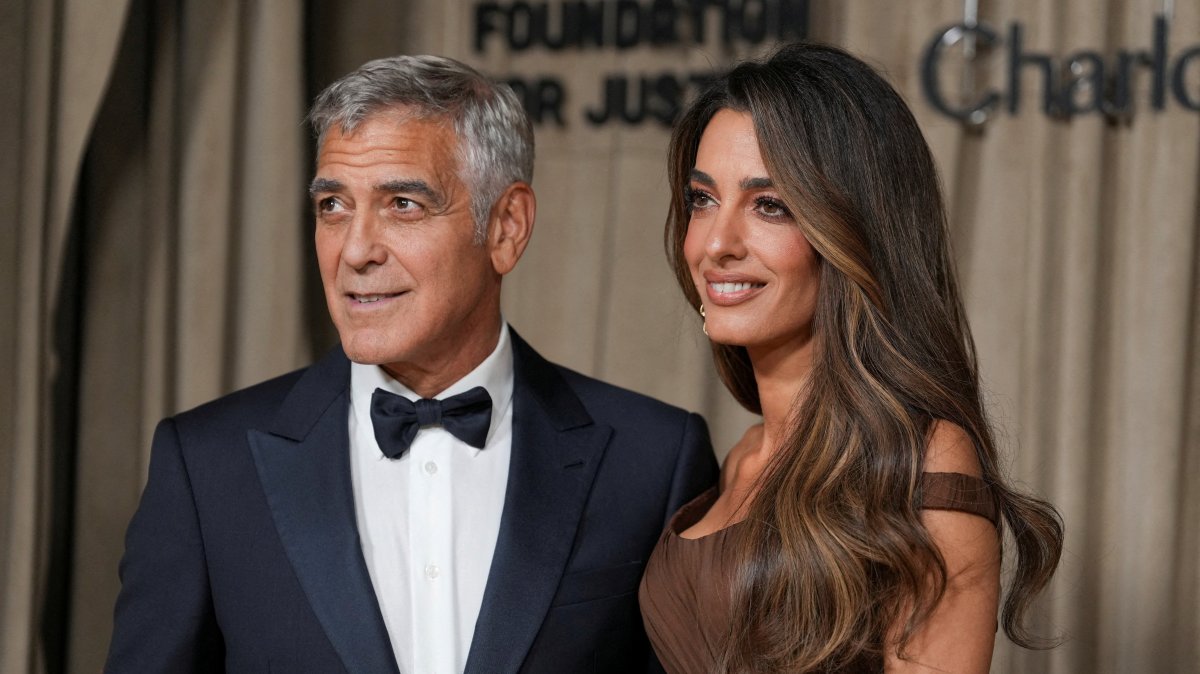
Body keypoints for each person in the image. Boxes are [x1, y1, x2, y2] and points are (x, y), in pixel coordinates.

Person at [106, 55, 717, 673]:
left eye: (401, 204)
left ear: (507, 227)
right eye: (333, 207)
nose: (356, 250)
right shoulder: (207, 467)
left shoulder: (653, 461)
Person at [638, 43, 1064, 673]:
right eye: (703, 199)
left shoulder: (922, 459)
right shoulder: (741, 462)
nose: (717, 243)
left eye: (770, 205)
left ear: (853, 233)